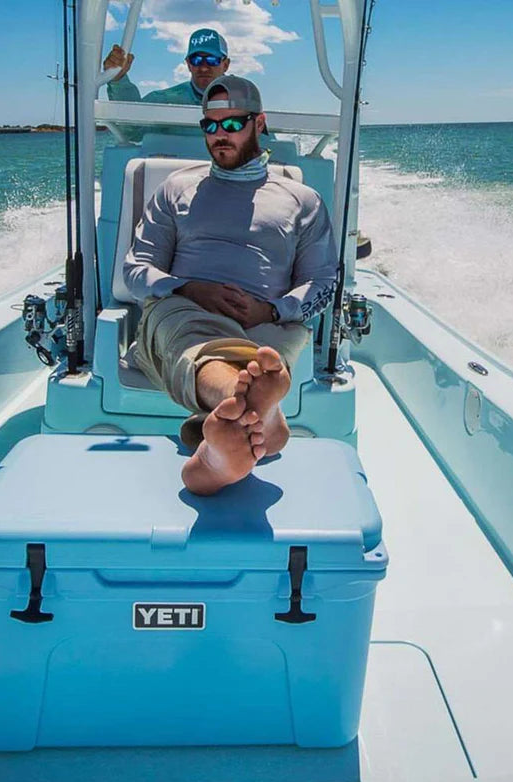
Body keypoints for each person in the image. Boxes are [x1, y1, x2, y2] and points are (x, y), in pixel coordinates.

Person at [123, 76, 338, 496]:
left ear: (259, 124)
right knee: (187, 329)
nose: (219, 135)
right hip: (182, 311)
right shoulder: (176, 189)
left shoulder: (302, 200)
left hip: (267, 330)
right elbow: (137, 269)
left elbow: (323, 281)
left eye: (232, 124)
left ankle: (220, 448)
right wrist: (189, 288)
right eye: (210, 125)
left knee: (269, 351)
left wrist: (272, 310)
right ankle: (253, 407)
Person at [103, 28, 230, 106]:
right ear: (188, 64)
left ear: (226, 65)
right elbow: (131, 130)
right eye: (196, 60)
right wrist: (118, 80)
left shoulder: (247, 99)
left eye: (212, 60)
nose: (203, 67)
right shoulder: (164, 100)